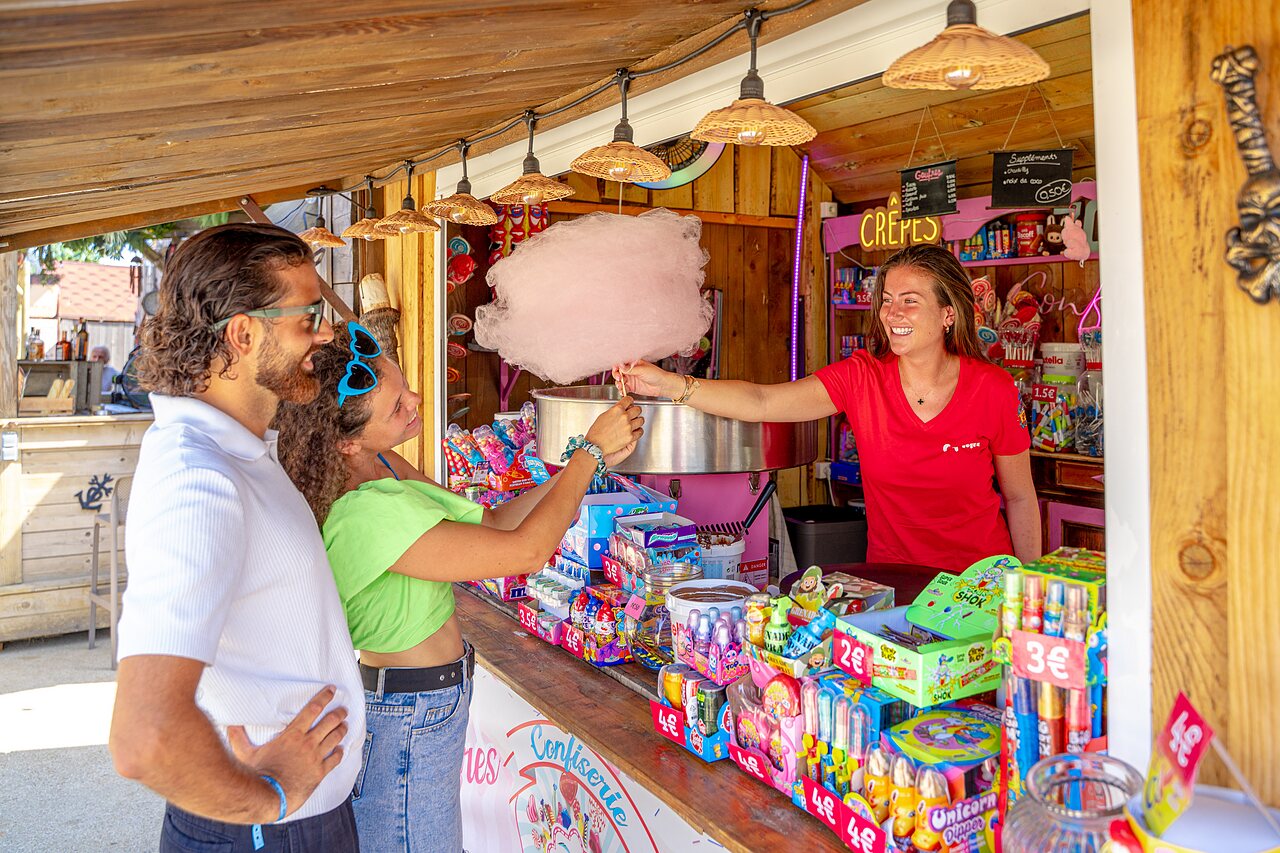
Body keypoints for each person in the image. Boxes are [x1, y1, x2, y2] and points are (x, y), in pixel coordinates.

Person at [273, 323, 643, 852]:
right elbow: (523, 553)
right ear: (347, 441)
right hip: (406, 712)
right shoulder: (363, 515)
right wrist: (587, 457)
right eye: (398, 406)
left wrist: (583, 465)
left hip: (426, 701)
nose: (416, 401)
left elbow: (493, 524)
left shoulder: (378, 466)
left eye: (406, 388)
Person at [110, 223, 366, 852]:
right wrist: (270, 797)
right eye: (309, 316)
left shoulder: (235, 456)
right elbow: (144, 737)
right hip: (265, 828)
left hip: (293, 818)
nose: (327, 333)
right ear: (244, 333)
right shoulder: (199, 479)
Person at [619, 243, 1040, 570]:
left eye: (910, 300)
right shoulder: (862, 378)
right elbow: (763, 401)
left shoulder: (993, 389)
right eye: (887, 299)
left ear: (948, 314)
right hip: (895, 586)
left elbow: (1020, 497)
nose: (892, 313)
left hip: (982, 587)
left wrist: (1030, 586)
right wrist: (671, 384)